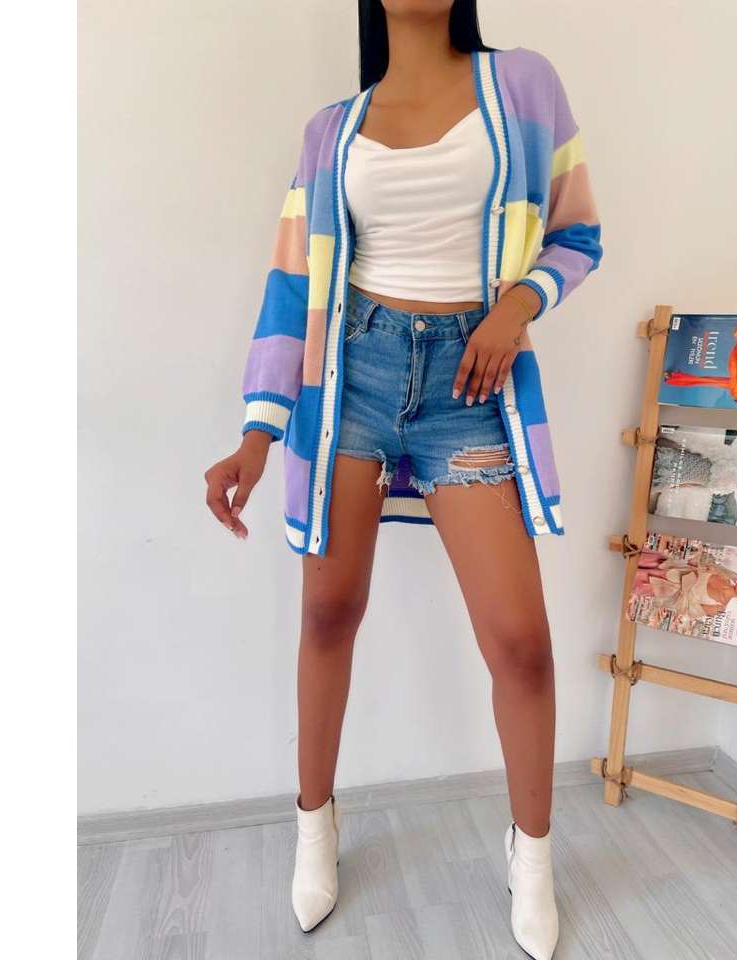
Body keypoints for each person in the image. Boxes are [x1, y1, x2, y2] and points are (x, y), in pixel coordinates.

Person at [203, 3, 602, 957]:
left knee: (521, 643)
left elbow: (579, 234)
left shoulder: (525, 84)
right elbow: (292, 282)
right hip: (353, 378)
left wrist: (517, 304)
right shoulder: (331, 130)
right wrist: (258, 432)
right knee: (328, 612)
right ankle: (315, 825)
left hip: (472, 384)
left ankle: (532, 854)